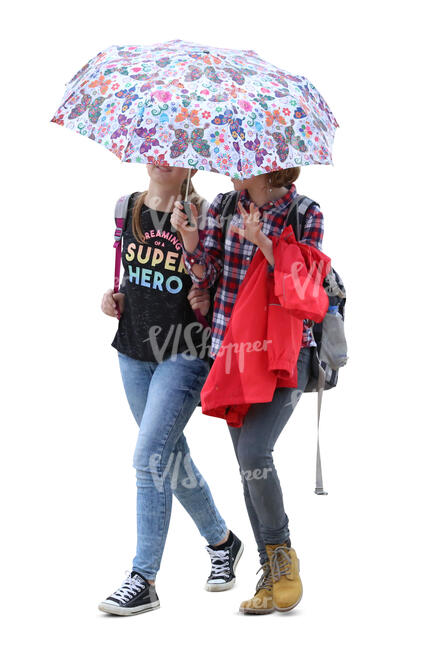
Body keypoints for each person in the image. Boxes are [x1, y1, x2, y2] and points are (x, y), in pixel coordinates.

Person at [171, 167, 324, 615]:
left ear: (268, 166)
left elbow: (306, 287)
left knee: (255, 453)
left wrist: (266, 245)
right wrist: (192, 242)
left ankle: (281, 552)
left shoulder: (304, 212)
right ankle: (268, 572)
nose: (234, 168)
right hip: (231, 349)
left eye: (244, 163)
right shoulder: (221, 206)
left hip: (283, 351)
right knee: (247, 465)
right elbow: (207, 278)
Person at [98, 163, 243, 616]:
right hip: (133, 348)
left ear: (192, 162)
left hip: (185, 352)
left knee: (148, 459)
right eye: (155, 150)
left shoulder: (208, 215)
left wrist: (204, 287)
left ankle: (144, 578)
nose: (161, 158)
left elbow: (222, 283)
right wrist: (116, 297)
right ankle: (223, 541)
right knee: (170, 458)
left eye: (173, 152)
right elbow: (131, 278)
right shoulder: (128, 207)